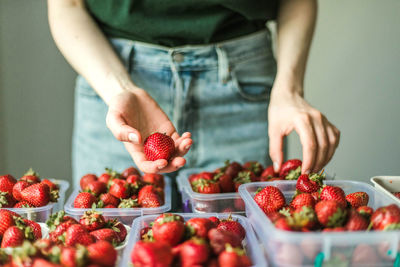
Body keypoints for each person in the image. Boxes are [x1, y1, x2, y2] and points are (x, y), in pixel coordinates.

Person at [48, 0, 340, 186]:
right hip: (108, 75)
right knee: (110, 239)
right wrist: (119, 90)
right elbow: (67, 5)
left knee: (237, 245)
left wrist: (289, 89)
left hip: (241, 83)